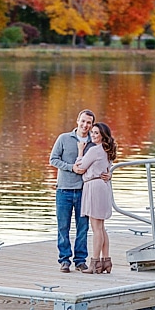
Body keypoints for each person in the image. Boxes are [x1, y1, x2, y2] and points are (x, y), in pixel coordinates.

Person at [49, 109, 97, 273]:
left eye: (89, 123)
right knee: (63, 226)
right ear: (77, 120)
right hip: (64, 190)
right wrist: (71, 168)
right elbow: (53, 159)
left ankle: (80, 261)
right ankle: (64, 260)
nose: (85, 125)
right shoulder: (64, 138)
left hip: (84, 191)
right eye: (83, 121)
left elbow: (101, 161)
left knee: (83, 227)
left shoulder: (94, 142)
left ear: (91, 125)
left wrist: (106, 173)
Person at [76, 122, 117, 274]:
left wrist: (80, 151)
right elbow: (107, 168)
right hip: (102, 186)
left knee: (96, 228)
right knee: (101, 227)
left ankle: (94, 263)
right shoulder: (107, 150)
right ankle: (106, 261)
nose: (92, 135)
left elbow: (80, 167)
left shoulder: (94, 150)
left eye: (96, 133)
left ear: (102, 136)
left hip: (94, 187)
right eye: (92, 132)